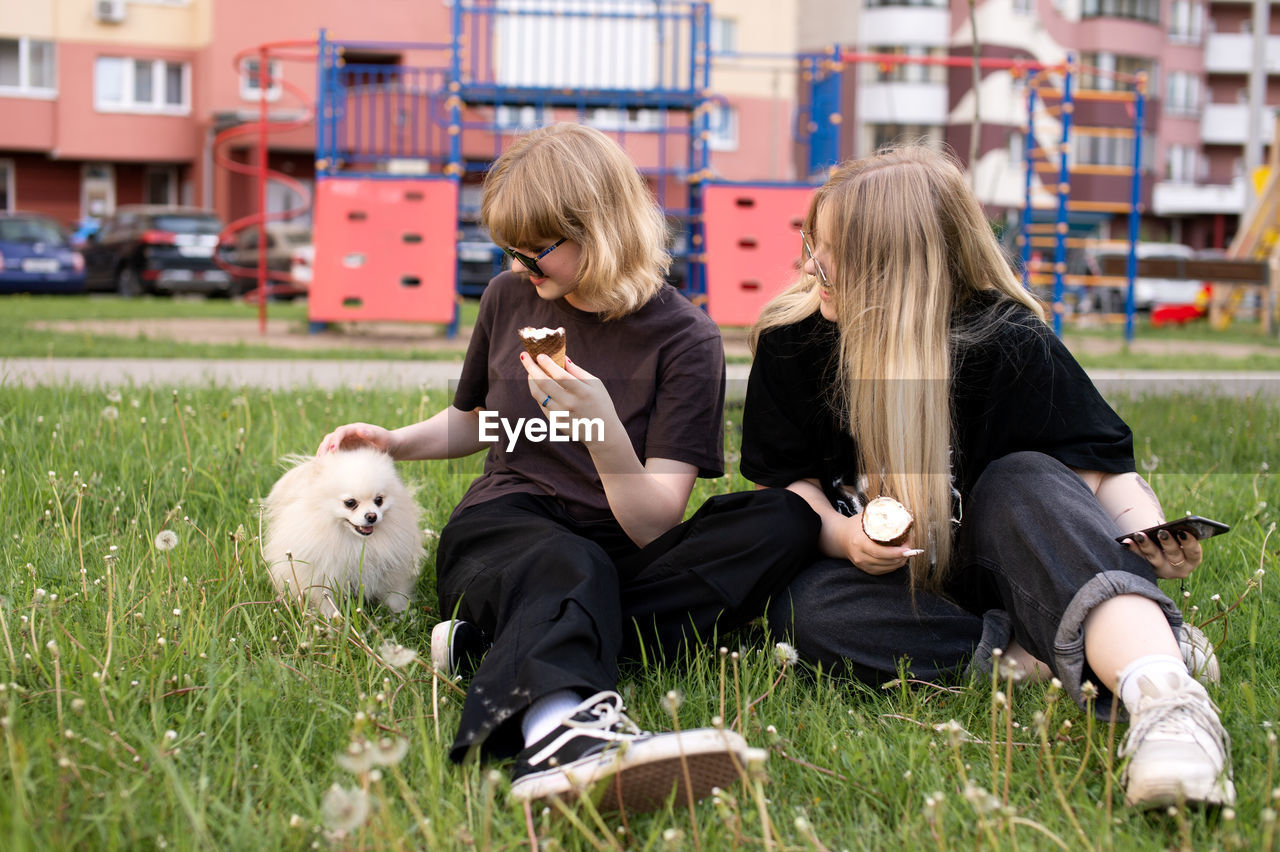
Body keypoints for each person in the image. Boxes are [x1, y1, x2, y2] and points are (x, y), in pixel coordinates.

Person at [317, 123, 818, 810]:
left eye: (535, 252)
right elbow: (474, 420)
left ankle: (499, 646)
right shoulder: (507, 298)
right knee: (568, 566)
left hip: (622, 547)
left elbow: (654, 525)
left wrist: (602, 426)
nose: (520, 267)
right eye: (508, 250)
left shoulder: (686, 340)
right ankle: (562, 735)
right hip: (507, 530)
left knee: (781, 519)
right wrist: (392, 441)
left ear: (603, 229)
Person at [740, 146, 1233, 809]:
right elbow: (786, 489)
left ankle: (1167, 701)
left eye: (825, 255)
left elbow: (1099, 468)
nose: (808, 265)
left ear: (892, 271)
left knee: (1024, 480)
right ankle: (1056, 648)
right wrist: (840, 535)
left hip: (1009, 564)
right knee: (803, 607)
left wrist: (1144, 530)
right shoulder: (792, 345)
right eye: (810, 243)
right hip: (894, 590)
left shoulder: (1006, 341)